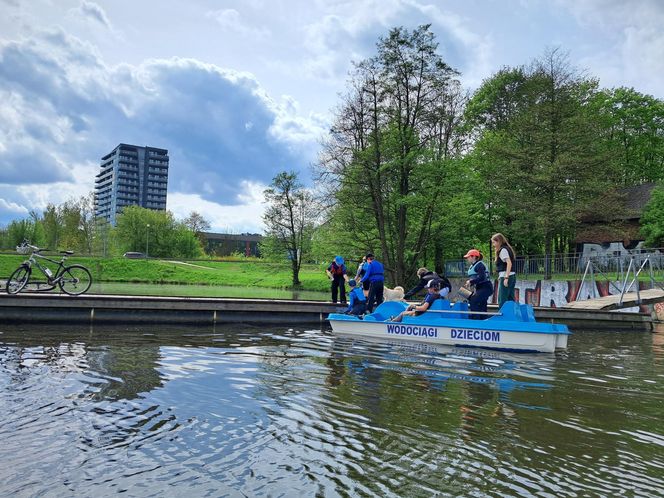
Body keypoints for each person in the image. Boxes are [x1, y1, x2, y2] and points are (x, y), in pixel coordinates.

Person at [464, 249, 493, 319]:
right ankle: (483, 319)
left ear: (474, 257)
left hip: (486, 287)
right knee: (482, 304)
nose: (467, 258)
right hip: (480, 287)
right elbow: (476, 278)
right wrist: (470, 283)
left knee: (473, 300)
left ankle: (476, 320)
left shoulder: (479, 265)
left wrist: (471, 282)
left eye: (469, 257)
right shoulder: (473, 266)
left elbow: (482, 277)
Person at [491, 233, 516, 307]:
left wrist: (506, 277)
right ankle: (511, 315)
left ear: (498, 241)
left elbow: (509, 263)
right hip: (511, 275)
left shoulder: (503, 250)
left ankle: (503, 316)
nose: (493, 245)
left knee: (502, 299)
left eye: (494, 242)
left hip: (507, 276)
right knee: (510, 298)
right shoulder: (507, 248)